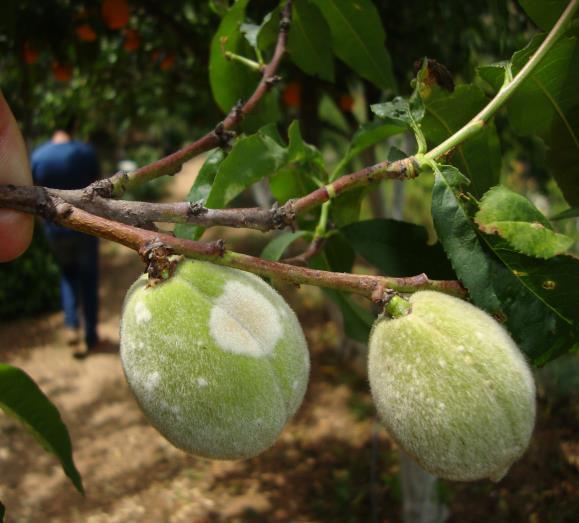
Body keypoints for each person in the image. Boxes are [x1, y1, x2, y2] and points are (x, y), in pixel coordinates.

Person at [30, 113, 102, 358]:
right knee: (89, 280)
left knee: (68, 276)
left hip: (55, 230)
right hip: (85, 227)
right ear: (75, 126)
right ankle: (91, 335)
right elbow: (98, 190)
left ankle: (72, 325)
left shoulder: (38, 156)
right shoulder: (85, 152)